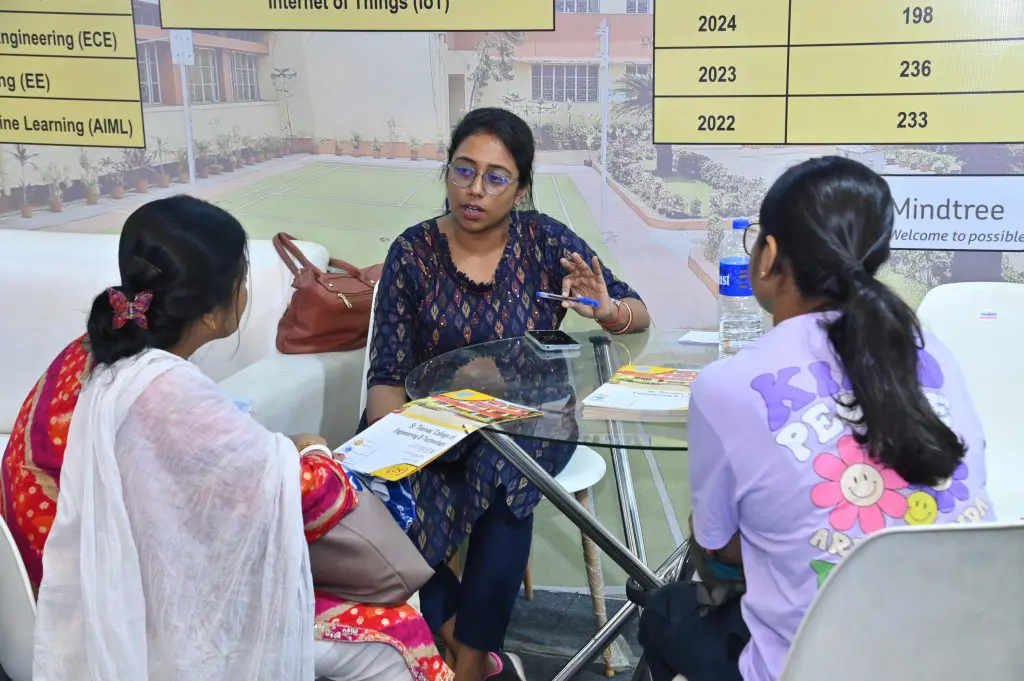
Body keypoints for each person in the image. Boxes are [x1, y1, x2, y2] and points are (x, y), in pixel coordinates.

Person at [1, 195, 452, 681]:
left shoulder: (93, 349)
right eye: (242, 277)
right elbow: (319, 500)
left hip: (47, 592)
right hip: (124, 611)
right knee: (396, 631)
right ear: (215, 311)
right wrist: (310, 447)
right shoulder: (166, 394)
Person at [637, 156, 994, 681]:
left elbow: (717, 547)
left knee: (667, 611)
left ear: (769, 254)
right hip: (966, 655)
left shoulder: (727, 385)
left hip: (812, 665)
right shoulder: (932, 350)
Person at [365, 107, 651, 681]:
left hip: (530, 421)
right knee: (379, 497)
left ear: (520, 188)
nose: (475, 190)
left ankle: (469, 663)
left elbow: (636, 314)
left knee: (504, 473)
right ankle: (453, 636)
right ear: (446, 172)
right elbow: (388, 372)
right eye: (463, 171)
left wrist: (607, 308)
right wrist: (392, 452)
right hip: (432, 421)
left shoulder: (545, 240)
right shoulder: (412, 251)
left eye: (496, 178)